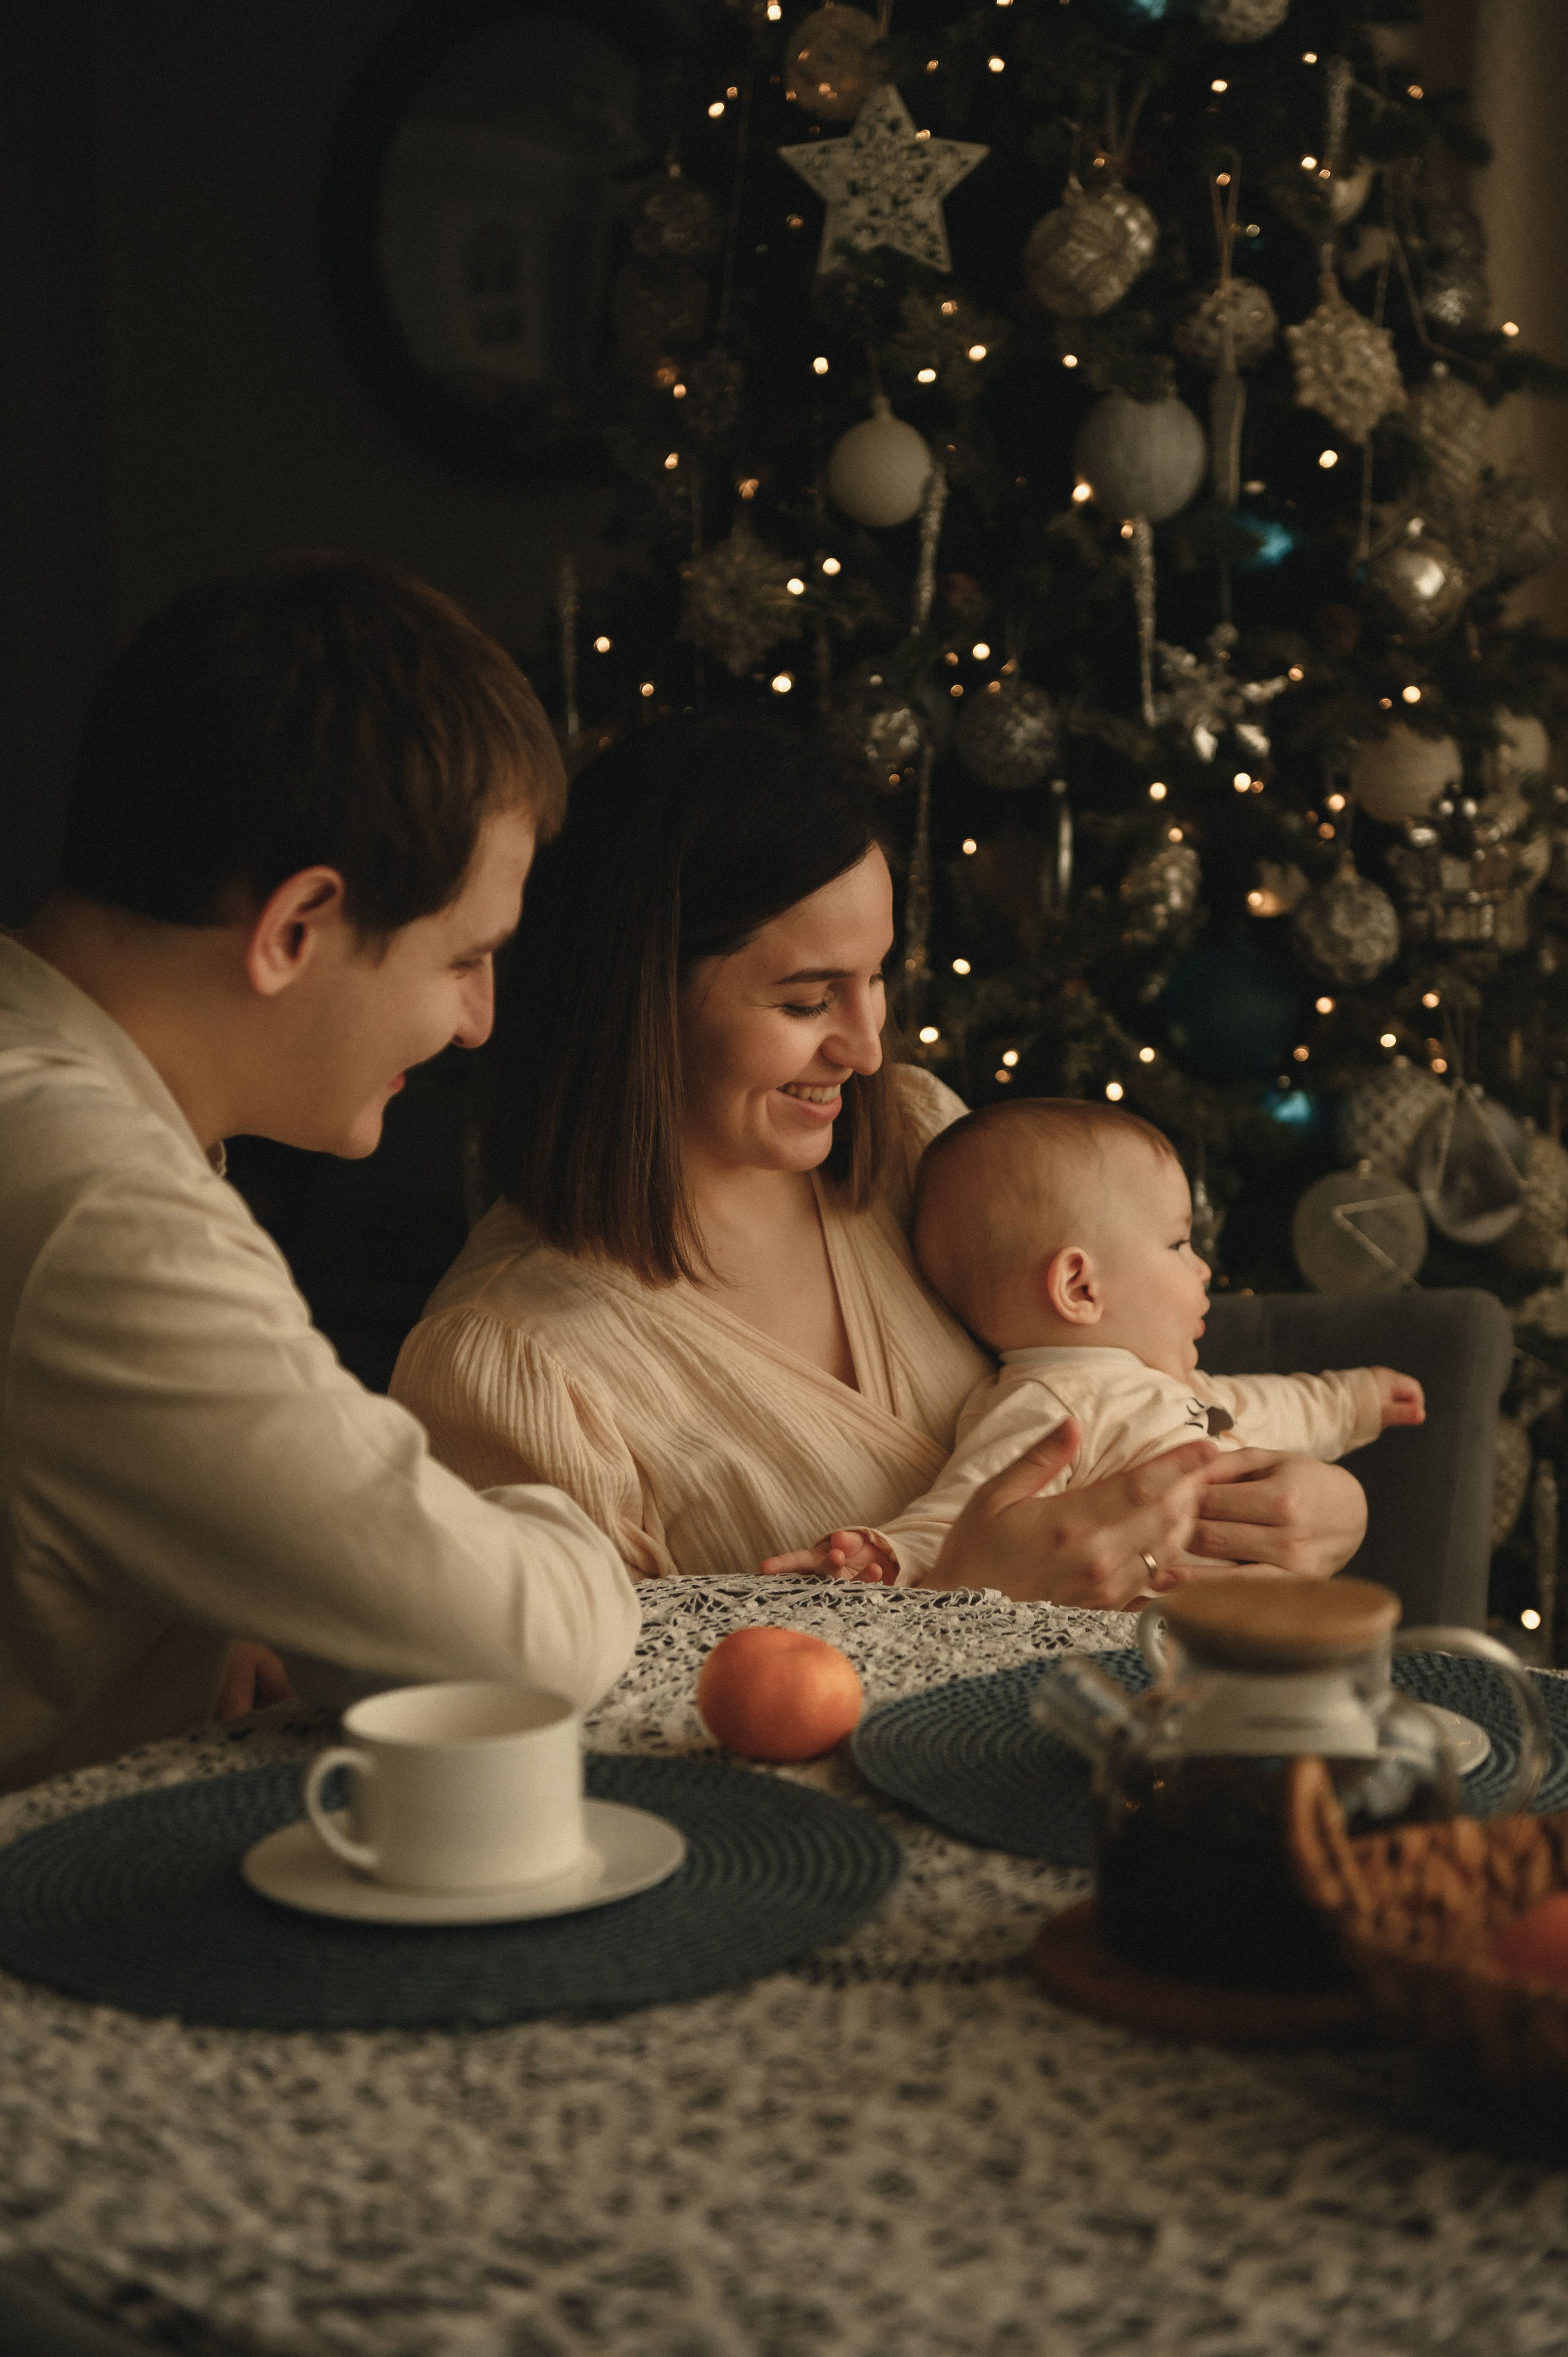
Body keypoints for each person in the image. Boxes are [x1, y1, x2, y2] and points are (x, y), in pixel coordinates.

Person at [391, 720, 1366, 1606]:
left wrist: (1308, 1507)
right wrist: (956, 1596)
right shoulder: (509, 1366)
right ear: (638, 1001)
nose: (865, 1048)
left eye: (877, 981)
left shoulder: (917, 1140)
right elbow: (594, 1745)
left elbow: (1130, 1389)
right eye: (809, 1001)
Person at [0, 555, 641, 1796]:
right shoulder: (102, 1209)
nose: (480, 1023)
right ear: (298, 927)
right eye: (465, 956)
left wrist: (230, 1578)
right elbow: (511, 1647)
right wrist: (553, 1519)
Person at [766, 1096, 1424, 1587]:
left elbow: (1270, 1410)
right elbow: (965, 1517)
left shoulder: (1179, 1390)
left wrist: (1354, 1401)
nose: (1202, 1270)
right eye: (1177, 1244)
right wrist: (889, 1554)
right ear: (1079, 1286)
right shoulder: (1051, 1406)